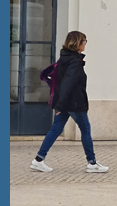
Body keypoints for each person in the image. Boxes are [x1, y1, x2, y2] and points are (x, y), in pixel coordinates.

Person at [31, 31, 109, 173]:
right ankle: (91, 163)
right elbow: (68, 83)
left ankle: (38, 160)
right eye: (84, 41)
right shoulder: (74, 62)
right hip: (73, 103)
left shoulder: (64, 59)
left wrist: (61, 104)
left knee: (55, 130)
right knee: (85, 129)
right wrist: (61, 105)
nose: (85, 44)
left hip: (65, 102)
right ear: (77, 43)